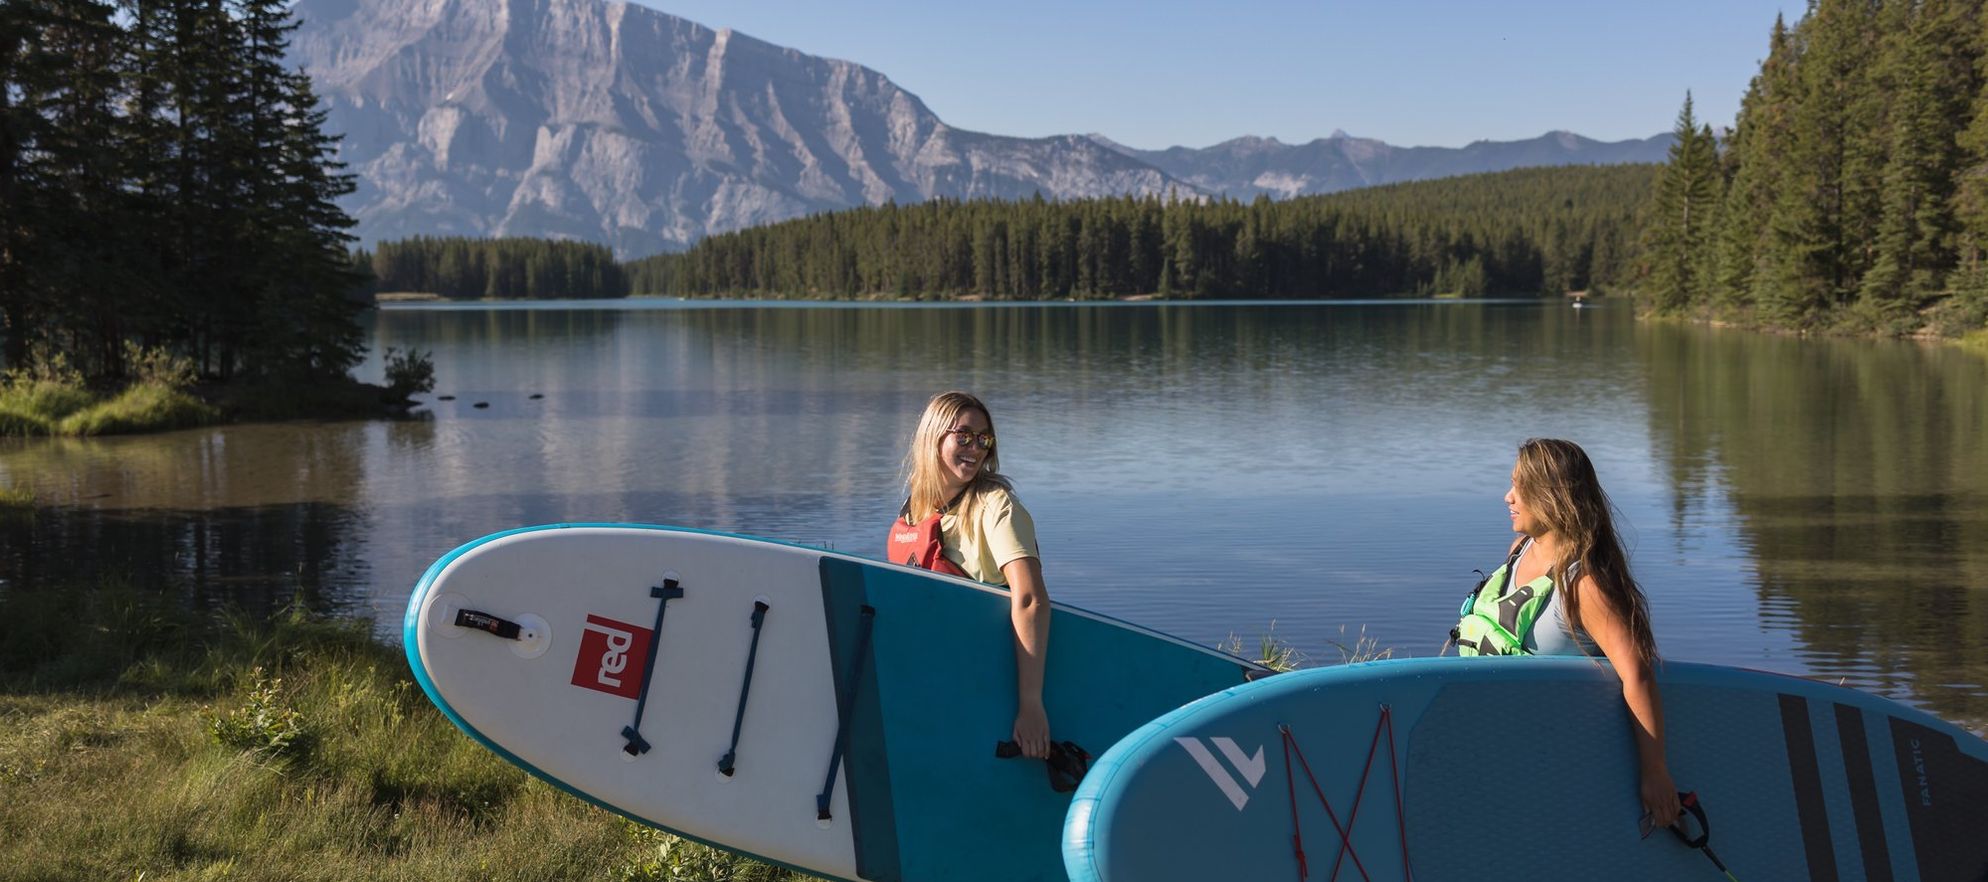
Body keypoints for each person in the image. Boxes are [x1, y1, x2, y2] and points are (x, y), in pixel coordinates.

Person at [1452, 438, 1681, 829]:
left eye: (1518, 488)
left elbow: (1637, 674)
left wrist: (1655, 772)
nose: (1507, 497)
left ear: (1550, 496)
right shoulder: (1520, 549)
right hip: (1494, 745)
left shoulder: (1584, 585)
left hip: (1552, 757)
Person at [887, 391, 1051, 760]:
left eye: (983, 439)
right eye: (963, 436)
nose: (975, 448)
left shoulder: (996, 506)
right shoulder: (914, 511)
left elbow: (1030, 599)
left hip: (986, 678)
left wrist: (1030, 705)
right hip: (935, 679)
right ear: (934, 438)